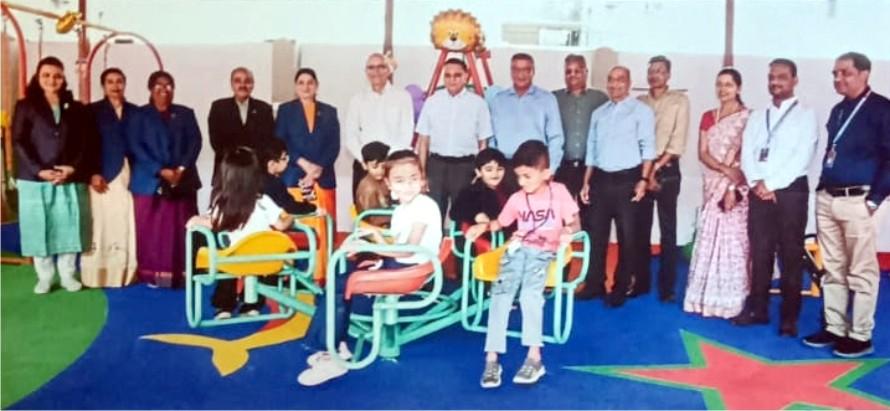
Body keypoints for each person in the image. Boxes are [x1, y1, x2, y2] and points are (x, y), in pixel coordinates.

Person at [298, 150, 442, 386]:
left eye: (413, 179)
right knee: (342, 276)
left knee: (340, 285)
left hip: (409, 270)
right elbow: (399, 245)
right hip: (404, 264)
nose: (408, 186)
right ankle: (334, 343)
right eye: (400, 180)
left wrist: (372, 247)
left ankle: (333, 355)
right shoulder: (404, 208)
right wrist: (373, 239)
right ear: (388, 183)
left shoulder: (423, 206)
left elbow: (408, 249)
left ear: (422, 179)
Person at [466, 140, 580, 388]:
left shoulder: (559, 192)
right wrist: (482, 227)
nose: (521, 182)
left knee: (530, 296)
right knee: (500, 295)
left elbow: (575, 223)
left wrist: (567, 231)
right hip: (517, 249)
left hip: (544, 252)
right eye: (518, 176)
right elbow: (501, 223)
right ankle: (492, 359)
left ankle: (534, 357)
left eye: (527, 176)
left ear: (546, 173)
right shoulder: (517, 198)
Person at [803, 52, 890, 358]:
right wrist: (821, 189)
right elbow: (833, 151)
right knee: (833, 268)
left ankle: (861, 335)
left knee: (862, 270)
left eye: (845, 73)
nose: (838, 78)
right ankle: (835, 327)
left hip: (859, 200)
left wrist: (875, 199)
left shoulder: (882, 109)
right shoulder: (839, 110)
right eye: (835, 73)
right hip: (828, 198)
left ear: (865, 74)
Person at [736, 58, 817, 337]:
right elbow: (747, 153)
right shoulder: (759, 116)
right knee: (760, 252)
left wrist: (771, 183)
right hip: (759, 190)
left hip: (791, 192)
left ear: (795, 80)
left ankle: (789, 317)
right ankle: (758, 309)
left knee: (790, 255)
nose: (775, 82)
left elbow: (802, 157)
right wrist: (756, 182)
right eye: (771, 77)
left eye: (782, 77)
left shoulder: (806, 115)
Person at [12, 56, 94, 294]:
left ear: (64, 78)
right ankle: (45, 277)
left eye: (57, 75)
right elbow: (19, 141)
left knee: (68, 225)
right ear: (38, 77)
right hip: (35, 178)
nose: (51, 80)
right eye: (46, 75)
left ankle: (68, 275)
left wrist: (72, 168)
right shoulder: (25, 106)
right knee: (39, 227)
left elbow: (85, 142)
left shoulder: (76, 107)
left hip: (67, 177)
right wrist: (39, 170)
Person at [577, 66, 656, 307]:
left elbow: (648, 149)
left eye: (620, 80)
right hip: (600, 179)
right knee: (596, 235)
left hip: (628, 180)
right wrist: (586, 182)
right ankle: (594, 284)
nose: (614, 84)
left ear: (629, 83)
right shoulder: (599, 113)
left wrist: (643, 180)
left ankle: (621, 287)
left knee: (627, 237)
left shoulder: (641, 111)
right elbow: (591, 149)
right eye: (610, 80)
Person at [187, 147, 295, 319]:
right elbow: (281, 225)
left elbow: (212, 223)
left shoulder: (223, 203)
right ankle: (252, 305)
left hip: (234, 261)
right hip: (264, 261)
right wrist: (289, 218)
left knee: (225, 261)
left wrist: (194, 220)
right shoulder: (263, 201)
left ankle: (224, 307)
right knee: (259, 259)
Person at [683, 68, 751, 319]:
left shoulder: (747, 118)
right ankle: (704, 296)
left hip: (734, 188)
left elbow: (746, 155)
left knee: (733, 240)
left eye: (729, 85)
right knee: (709, 235)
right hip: (713, 182)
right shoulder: (708, 117)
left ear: (738, 88)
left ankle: (732, 299)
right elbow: (702, 153)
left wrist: (732, 185)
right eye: (719, 84)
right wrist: (724, 169)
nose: (723, 90)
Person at [128, 70, 202, 288]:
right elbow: (135, 146)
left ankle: (183, 275)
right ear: (150, 89)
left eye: (168, 85)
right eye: (158, 86)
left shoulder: (185, 113)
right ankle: (152, 276)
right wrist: (160, 170)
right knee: (152, 233)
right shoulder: (139, 115)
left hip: (182, 181)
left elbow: (195, 142)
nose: (164, 90)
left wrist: (180, 169)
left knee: (182, 231)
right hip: (150, 182)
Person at [635, 55, 690, 301]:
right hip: (641, 170)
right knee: (640, 229)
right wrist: (645, 173)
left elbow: (678, 141)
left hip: (667, 170)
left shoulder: (680, 100)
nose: (654, 75)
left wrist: (655, 168)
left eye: (659, 71)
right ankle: (641, 283)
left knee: (668, 230)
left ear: (668, 75)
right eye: (651, 71)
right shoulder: (639, 102)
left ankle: (667, 288)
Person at [81, 67, 139, 288]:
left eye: (119, 81)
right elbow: (85, 146)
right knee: (100, 223)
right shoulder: (92, 111)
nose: (115, 86)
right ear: (103, 86)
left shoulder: (135, 111)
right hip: (101, 176)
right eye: (110, 82)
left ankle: (123, 273)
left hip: (128, 175)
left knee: (123, 222)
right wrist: (92, 173)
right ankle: (96, 275)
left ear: (125, 84)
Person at [416, 58, 492, 220]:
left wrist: (480, 172)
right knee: (433, 213)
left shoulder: (478, 104)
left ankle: (461, 238)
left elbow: (483, 142)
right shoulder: (432, 102)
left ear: (466, 77)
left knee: (464, 214)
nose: (452, 80)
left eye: (457, 75)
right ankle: (434, 239)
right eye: (448, 75)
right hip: (436, 166)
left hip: (465, 167)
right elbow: (423, 140)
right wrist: (422, 172)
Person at [488, 53, 564, 189]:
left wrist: (550, 170)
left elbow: (556, 138)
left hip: (535, 169)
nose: (520, 74)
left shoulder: (547, 99)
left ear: (532, 71)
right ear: (511, 72)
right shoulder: (498, 100)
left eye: (525, 70)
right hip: (504, 168)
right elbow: (492, 138)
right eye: (516, 69)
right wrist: (493, 169)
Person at [275, 68, 340, 221]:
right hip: (294, 175)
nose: (306, 87)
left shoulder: (330, 111)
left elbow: (334, 145)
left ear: (316, 86)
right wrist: (303, 163)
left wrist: (317, 168)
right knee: (296, 223)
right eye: (301, 83)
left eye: (310, 83)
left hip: (323, 176)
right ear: (295, 87)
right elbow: (280, 142)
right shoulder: (285, 110)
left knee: (324, 224)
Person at [344, 53, 414, 195]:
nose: (376, 71)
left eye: (381, 67)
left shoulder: (402, 97)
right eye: (371, 67)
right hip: (364, 166)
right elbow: (350, 135)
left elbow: (406, 133)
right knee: (363, 208)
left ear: (388, 70)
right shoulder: (357, 100)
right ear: (366, 71)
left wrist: (386, 162)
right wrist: (365, 161)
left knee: (392, 208)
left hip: (393, 166)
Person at [207, 67, 275, 201]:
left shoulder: (264, 109)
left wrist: (250, 161)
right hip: (226, 172)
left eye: (247, 81)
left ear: (253, 84)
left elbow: (267, 141)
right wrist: (237, 160)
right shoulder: (219, 107)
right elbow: (216, 141)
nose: (243, 85)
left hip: (255, 172)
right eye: (238, 81)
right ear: (231, 84)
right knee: (223, 211)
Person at [553, 54, 608, 198]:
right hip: (563, 167)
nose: (572, 75)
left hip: (591, 167)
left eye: (577, 71)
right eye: (568, 71)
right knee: (563, 209)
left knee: (590, 208)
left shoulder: (600, 98)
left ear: (586, 72)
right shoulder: (554, 98)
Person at [259, 138, 317, 216]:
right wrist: (313, 207)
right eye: (284, 158)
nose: (287, 161)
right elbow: (290, 207)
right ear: (271, 164)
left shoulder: (254, 178)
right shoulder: (275, 183)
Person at [354, 141, 391, 227]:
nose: (380, 171)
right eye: (375, 167)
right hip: (373, 227)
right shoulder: (368, 188)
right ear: (364, 165)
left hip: (382, 218)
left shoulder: (383, 180)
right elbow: (371, 217)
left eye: (383, 167)